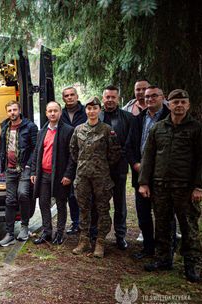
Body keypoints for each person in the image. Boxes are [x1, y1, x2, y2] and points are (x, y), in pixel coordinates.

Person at [139, 89, 202, 282]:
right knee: (162, 224)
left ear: (188, 105)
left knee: (189, 226)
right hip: (160, 185)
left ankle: (191, 264)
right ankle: (163, 259)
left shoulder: (197, 129)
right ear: (168, 104)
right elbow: (148, 156)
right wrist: (144, 182)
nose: (179, 105)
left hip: (185, 188)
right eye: (175, 102)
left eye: (183, 102)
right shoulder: (158, 128)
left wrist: (199, 186)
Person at [70, 97, 121, 258]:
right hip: (83, 176)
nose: (91, 111)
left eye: (95, 108)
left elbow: (114, 153)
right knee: (84, 208)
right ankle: (84, 240)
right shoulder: (78, 129)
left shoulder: (107, 129)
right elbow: (73, 151)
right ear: (85, 110)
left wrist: (101, 165)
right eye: (89, 108)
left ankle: (100, 242)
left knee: (102, 209)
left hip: (101, 177)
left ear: (100, 110)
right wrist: (84, 164)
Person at [126, 85, 170, 259]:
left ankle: (165, 250)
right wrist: (136, 165)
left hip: (162, 175)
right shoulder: (138, 119)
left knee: (163, 215)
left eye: (154, 96)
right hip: (140, 174)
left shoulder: (170, 117)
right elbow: (129, 146)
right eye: (146, 97)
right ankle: (148, 248)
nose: (149, 99)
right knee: (143, 213)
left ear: (162, 97)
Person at [93, 85, 134, 250]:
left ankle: (120, 236)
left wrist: (119, 158)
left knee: (120, 203)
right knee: (98, 203)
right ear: (103, 98)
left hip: (119, 168)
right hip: (99, 169)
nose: (110, 100)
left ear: (118, 99)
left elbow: (130, 143)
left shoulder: (128, 118)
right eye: (107, 97)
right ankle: (97, 235)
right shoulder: (96, 116)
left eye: (113, 97)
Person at [30, 101, 75, 245]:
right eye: (50, 111)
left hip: (60, 175)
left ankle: (60, 233)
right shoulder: (42, 131)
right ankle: (47, 232)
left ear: (60, 112)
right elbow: (36, 152)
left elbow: (73, 156)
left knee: (61, 204)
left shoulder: (68, 130)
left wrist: (68, 174)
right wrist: (33, 171)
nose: (52, 113)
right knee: (43, 203)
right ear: (46, 113)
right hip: (43, 175)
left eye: (55, 110)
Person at [0, 100, 38, 247]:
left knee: (23, 194)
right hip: (10, 169)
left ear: (19, 110)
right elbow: (3, 146)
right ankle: (9, 234)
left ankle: (24, 227)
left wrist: (29, 165)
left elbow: (35, 148)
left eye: (14, 110)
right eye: (9, 110)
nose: (12, 113)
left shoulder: (30, 126)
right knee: (9, 200)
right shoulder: (5, 126)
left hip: (24, 167)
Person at [60, 86, 87, 235]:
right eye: (66, 96)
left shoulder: (85, 112)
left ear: (77, 96)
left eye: (72, 95)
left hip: (84, 158)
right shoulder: (60, 113)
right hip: (66, 158)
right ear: (63, 98)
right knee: (71, 194)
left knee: (83, 193)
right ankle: (75, 222)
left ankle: (86, 223)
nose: (69, 97)